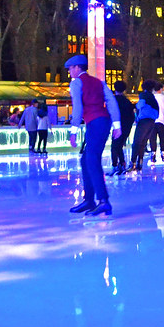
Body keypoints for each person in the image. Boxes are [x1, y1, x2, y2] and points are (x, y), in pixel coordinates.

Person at [65, 54, 121, 216]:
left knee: (91, 158)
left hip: (95, 123)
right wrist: (116, 124)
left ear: (77, 68)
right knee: (86, 159)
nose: (69, 72)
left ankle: (103, 201)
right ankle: (89, 200)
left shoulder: (76, 83)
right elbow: (111, 102)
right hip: (103, 122)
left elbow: (77, 108)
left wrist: (73, 130)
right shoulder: (99, 82)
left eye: (70, 69)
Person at [128, 81, 159, 172]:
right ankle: (140, 162)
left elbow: (140, 105)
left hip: (144, 121)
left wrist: (136, 107)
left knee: (136, 142)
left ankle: (133, 163)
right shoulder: (153, 97)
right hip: (152, 121)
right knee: (143, 142)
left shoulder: (144, 95)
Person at [109, 81, 135, 175]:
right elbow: (132, 116)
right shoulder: (127, 101)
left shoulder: (113, 100)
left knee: (114, 146)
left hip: (117, 127)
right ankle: (122, 164)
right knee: (119, 146)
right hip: (126, 128)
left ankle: (115, 165)